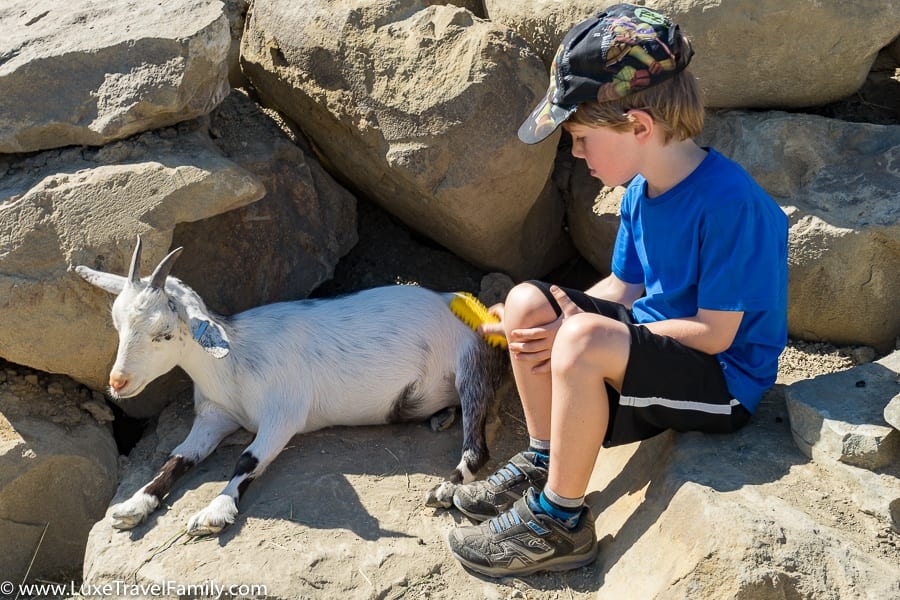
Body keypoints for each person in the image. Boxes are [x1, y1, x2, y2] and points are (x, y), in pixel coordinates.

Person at [446, 3, 788, 577]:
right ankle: (547, 457)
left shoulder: (731, 205)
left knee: (578, 338)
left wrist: (581, 333)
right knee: (535, 301)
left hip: (722, 380)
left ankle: (561, 521)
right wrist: (548, 316)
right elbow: (624, 287)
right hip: (661, 350)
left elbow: (713, 333)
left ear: (639, 126)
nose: (575, 154)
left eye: (580, 138)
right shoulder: (640, 192)